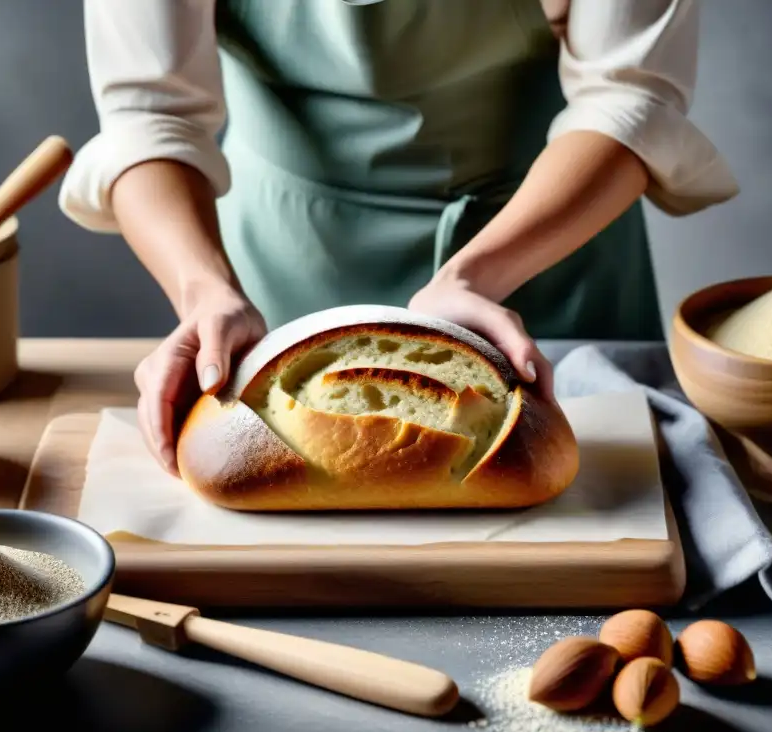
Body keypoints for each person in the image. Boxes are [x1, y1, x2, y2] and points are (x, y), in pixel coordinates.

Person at [60, 0, 737, 475]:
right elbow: (148, 116)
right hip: (285, 257)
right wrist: (205, 293)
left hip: (548, 245)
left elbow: (629, 100)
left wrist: (477, 275)